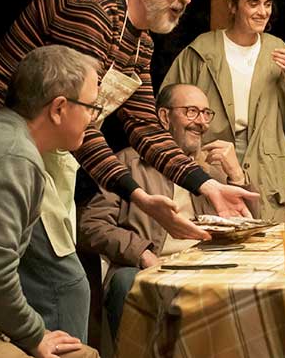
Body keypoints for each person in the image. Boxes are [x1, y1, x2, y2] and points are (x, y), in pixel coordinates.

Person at [0, 0, 257, 241]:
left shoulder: (141, 42)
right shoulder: (93, 10)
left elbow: (145, 127)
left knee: (52, 267)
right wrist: (138, 196)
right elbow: (71, 114)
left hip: (43, 153)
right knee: (44, 269)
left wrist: (207, 185)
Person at [77, 83, 251, 341]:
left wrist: (236, 175)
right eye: (191, 111)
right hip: (151, 266)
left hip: (206, 267)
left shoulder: (211, 172)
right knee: (126, 281)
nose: (201, 122)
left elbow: (249, 224)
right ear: (163, 117)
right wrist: (142, 253)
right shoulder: (126, 165)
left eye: (206, 114)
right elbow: (91, 225)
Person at [162, 0, 285, 222]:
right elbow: (166, 108)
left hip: (267, 165)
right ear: (232, 6)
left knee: (265, 239)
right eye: (253, 4)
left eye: (267, 4)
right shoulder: (202, 50)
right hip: (212, 158)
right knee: (213, 232)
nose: (262, 12)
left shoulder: (278, 50)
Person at [0, 45, 99, 358]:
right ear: (59, 108)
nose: (93, 119)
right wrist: (33, 334)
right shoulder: (14, 156)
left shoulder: (1, 133)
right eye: (91, 107)